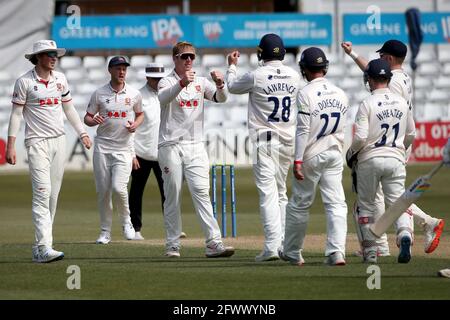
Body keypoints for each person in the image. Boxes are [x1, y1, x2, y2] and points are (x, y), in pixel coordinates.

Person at [342, 39, 444, 257]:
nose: (377, 60)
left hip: (387, 143)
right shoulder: (403, 77)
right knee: (391, 197)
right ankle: (386, 244)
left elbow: (387, 109)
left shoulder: (393, 83)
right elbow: (374, 72)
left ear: (388, 59)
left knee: (382, 200)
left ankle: (425, 224)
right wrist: (352, 54)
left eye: (381, 56)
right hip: (397, 144)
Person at [5, 39, 92, 263]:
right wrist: (11, 145)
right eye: (49, 54)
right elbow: (16, 115)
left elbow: (69, 108)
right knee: (42, 194)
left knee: (53, 197)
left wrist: (82, 133)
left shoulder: (61, 79)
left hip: (59, 142)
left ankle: (41, 246)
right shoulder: (24, 82)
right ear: (38, 57)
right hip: (36, 143)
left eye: (55, 54)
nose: (54, 58)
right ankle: (44, 247)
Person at [226, 34, 301, 262]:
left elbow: (231, 87)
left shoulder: (256, 75)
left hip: (265, 141)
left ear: (261, 53)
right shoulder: (294, 76)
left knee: (268, 194)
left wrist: (231, 66)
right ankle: (284, 245)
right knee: (281, 194)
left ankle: (271, 247)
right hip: (288, 141)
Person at [157, 41, 234, 258]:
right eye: (184, 57)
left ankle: (213, 242)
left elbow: (221, 99)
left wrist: (220, 84)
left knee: (202, 193)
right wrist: (181, 83)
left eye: (192, 56)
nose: (189, 60)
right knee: (172, 195)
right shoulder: (166, 81)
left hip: (195, 145)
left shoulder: (200, 82)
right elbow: (162, 99)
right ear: (175, 59)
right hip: (170, 144)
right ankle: (172, 244)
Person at [280, 47, 349, 266]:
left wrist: (297, 159)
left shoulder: (305, 92)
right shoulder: (340, 92)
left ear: (304, 69)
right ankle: (336, 252)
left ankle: (292, 252)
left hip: (312, 153)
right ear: (325, 67)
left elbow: (302, 129)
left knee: (300, 203)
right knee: (336, 203)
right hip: (335, 152)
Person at [347, 59, 416, 264]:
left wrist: (351, 153)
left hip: (370, 159)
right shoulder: (402, 102)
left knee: (366, 206)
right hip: (395, 157)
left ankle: (370, 252)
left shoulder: (367, 103)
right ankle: (404, 234)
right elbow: (411, 133)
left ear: (370, 79)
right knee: (397, 203)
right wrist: (400, 149)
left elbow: (360, 138)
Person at [84, 56, 143, 244]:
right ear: (110, 70)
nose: (122, 71)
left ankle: (127, 222)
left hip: (123, 148)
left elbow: (140, 114)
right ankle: (105, 231)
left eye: (124, 68)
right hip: (102, 147)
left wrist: (135, 124)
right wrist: (93, 121)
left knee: (119, 188)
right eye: (118, 68)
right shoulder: (99, 93)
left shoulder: (134, 94)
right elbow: (87, 117)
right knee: (103, 192)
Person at [129, 62, 187, 240]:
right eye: (154, 79)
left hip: (164, 150)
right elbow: (131, 126)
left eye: (160, 79)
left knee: (169, 191)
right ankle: (135, 229)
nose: (157, 82)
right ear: (147, 78)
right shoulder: (139, 96)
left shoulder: (170, 92)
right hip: (142, 152)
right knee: (137, 192)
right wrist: (131, 153)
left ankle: (174, 228)